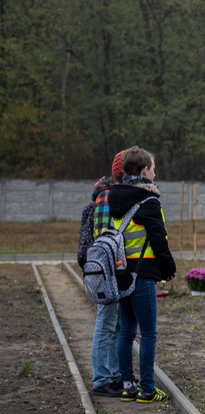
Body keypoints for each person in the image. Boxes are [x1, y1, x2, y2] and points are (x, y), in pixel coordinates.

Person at [108, 146, 176, 403]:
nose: (155, 174)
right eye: (154, 169)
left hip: (122, 274)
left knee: (126, 332)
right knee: (148, 333)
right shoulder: (148, 201)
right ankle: (147, 388)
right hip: (143, 274)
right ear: (145, 170)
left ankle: (129, 386)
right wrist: (168, 268)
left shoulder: (116, 198)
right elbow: (158, 239)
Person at [77, 150, 126, 397]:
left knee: (113, 324)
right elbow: (104, 237)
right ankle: (101, 379)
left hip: (108, 268)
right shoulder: (107, 197)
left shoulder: (105, 194)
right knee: (106, 323)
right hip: (107, 269)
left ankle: (114, 376)